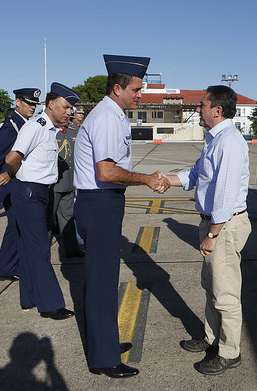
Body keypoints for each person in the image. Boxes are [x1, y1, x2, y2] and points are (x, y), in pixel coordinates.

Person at [73, 54, 169, 378]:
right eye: (136, 90)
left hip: (104, 204)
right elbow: (107, 171)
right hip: (99, 203)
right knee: (101, 283)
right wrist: (146, 179)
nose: (140, 95)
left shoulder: (113, 114)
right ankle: (104, 359)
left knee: (104, 280)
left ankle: (107, 346)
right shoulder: (106, 118)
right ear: (118, 88)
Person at [165, 85, 251, 376]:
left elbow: (226, 197)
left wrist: (212, 235)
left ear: (217, 110)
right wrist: (166, 180)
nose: (197, 109)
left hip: (223, 226)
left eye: (201, 105)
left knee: (225, 293)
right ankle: (211, 337)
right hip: (213, 223)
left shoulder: (229, 142)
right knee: (211, 286)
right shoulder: (214, 139)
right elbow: (195, 174)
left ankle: (229, 352)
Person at [5, 82, 79, 319]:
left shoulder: (50, 129)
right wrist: (21, 178)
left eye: (71, 108)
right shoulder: (35, 127)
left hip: (38, 192)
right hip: (30, 193)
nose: (70, 112)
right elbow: (11, 158)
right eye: (66, 107)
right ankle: (50, 305)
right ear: (51, 105)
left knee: (29, 249)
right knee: (39, 250)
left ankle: (29, 298)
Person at [0, 88, 40, 281]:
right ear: (18, 102)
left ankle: (8, 266)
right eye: (29, 103)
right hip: (13, 183)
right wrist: (0, 178)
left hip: (21, 182)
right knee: (15, 226)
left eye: (34, 104)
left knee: (17, 226)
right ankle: (6, 268)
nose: (32, 107)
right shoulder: (11, 127)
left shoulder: (26, 124)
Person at [50, 114, 84, 257]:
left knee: (68, 216)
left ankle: (72, 248)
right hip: (54, 183)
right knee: (47, 219)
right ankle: (40, 254)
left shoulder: (72, 132)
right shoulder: (50, 131)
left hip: (69, 181)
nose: (67, 118)